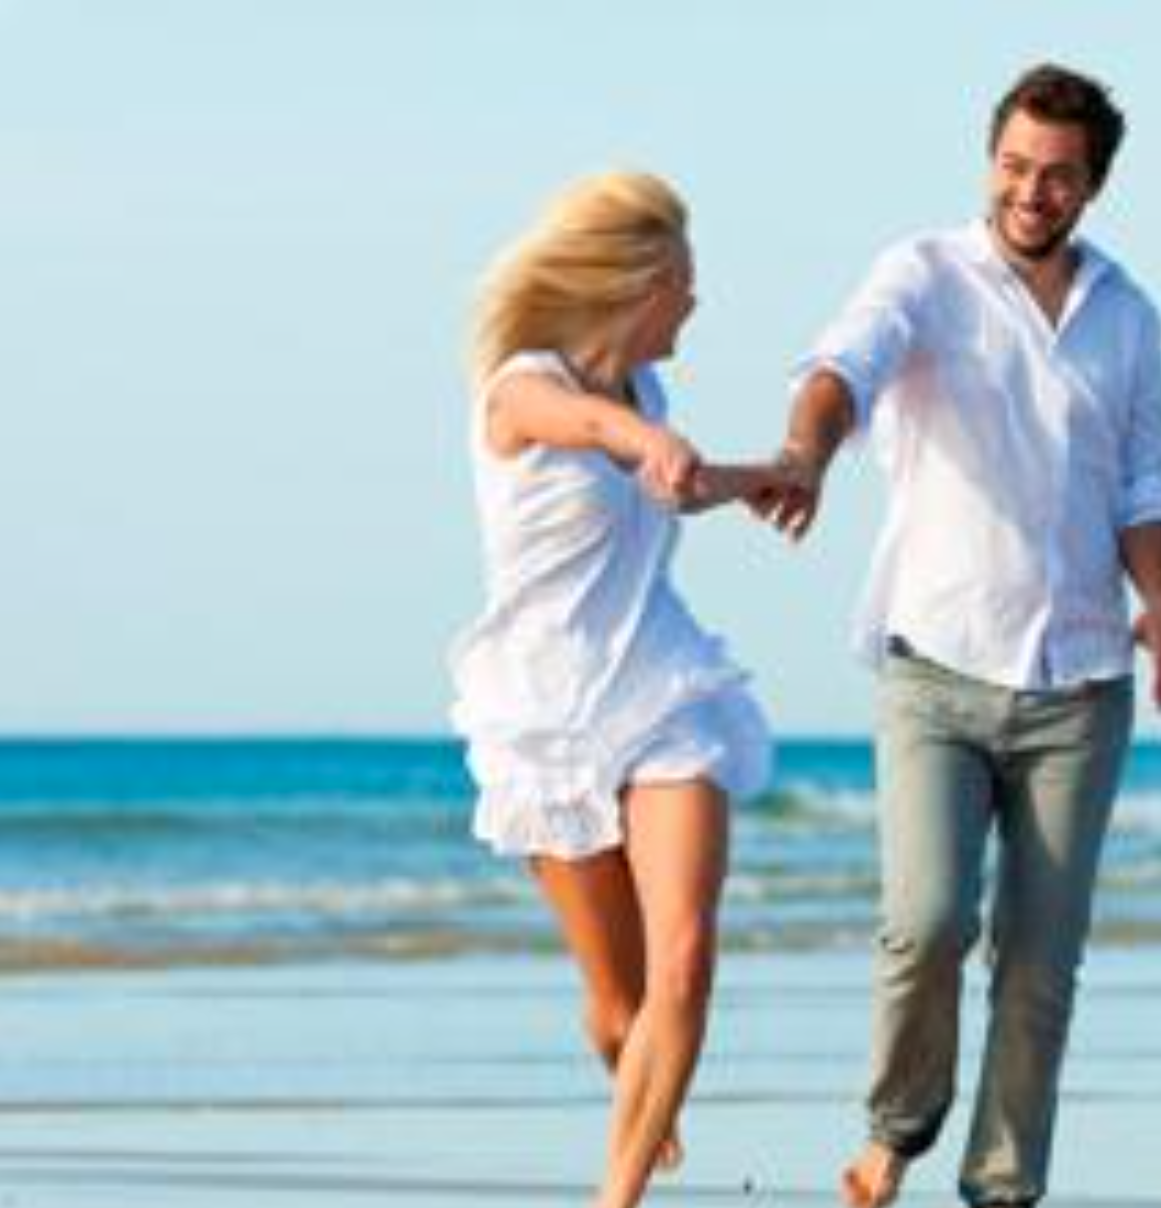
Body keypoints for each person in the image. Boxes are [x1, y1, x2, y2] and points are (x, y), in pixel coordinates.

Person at [760, 64, 1161, 1208]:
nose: (1028, 192)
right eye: (1012, 166)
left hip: (1081, 680)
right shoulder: (924, 274)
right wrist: (804, 453)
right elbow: (840, 367)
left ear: (1091, 186)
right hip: (937, 668)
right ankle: (896, 1125)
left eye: (1056, 176)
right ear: (988, 160)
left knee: (1041, 961)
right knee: (927, 918)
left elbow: (1142, 481)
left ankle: (1002, 1187)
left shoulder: (1128, 316)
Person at [449, 170, 785, 1208]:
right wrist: (643, 438)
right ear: (634, 286)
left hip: (660, 690)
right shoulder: (521, 387)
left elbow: (671, 480)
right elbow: (587, 429)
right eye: (683, 281)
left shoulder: (651, 396)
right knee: (619, 1005)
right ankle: (635, 1071)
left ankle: (617, 1195)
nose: (695, 301)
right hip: (546, 712)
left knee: (683, 958)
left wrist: (761, 477)